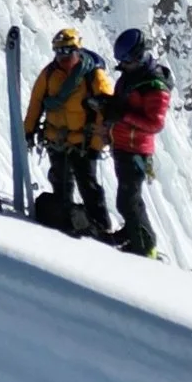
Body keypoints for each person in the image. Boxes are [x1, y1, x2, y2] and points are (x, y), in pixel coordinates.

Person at [22, 26, 113, 239]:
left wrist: (96, 145)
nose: (63, 57)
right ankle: (68, 218)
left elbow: (107, 111)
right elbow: (36, 103)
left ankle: (100, 225)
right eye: (59, 52)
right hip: (56, 139)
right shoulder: (49, 74)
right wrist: (29, 129)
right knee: (60, 181)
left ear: (77, 50)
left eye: (67, 52)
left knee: (87, 184)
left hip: (84, 142)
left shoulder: (94, 76)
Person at [107, 26, 174, 256]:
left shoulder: (155, 85)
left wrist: (122, 115)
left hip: (136, 150)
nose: (121, 65)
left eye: (124, 60)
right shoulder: (131, 76)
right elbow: (123, 104)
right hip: (123, 145)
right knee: (128, 198)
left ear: (136, 57)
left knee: (128, 200)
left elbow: (155, 123)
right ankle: (132, 232)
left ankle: (146, 246)